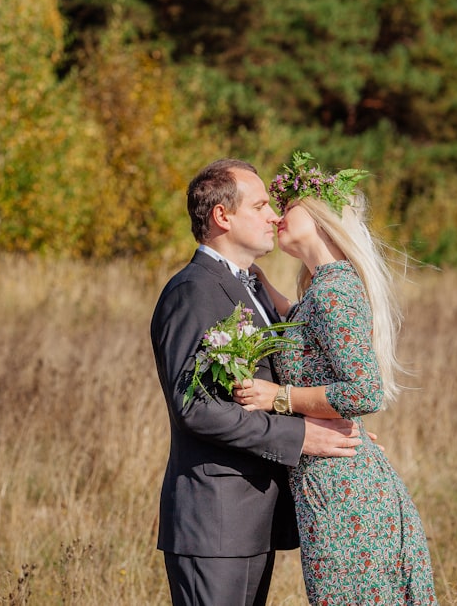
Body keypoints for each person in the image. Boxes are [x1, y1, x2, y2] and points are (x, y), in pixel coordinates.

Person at [149, 157, 366, 606]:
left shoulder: (250, 287)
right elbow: (196, 409)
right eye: (262, 205)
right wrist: (302, 436)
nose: (274, 215)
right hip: (214, 519)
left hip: (251, 517)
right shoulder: (193, 290)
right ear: (222, 216)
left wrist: (335, 424)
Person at [233, 151, 437, 604]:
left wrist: (278, 397)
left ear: (323, 215)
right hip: (331, 487)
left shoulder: (336, 290)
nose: (279, 214)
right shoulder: (323, 289)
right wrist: (262, 284)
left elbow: (364, 391)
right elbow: (308, 333)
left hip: (349, 498)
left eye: (290, 205)